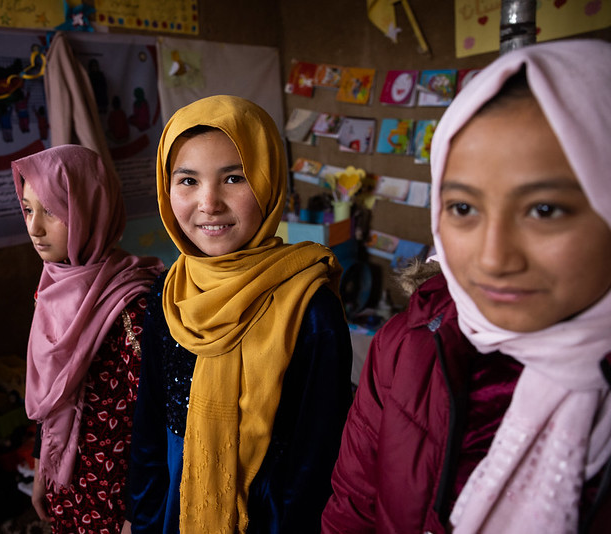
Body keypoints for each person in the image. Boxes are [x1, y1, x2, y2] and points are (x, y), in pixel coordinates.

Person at [321, 39, 611, 534]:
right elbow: (353, 508)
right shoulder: (406, 346)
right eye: (463, 208)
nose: (494, 258)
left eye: (544, 210)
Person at [127, 95, 353, 532]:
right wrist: (142, 517)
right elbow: (149, 423)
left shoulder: (309, 305)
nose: (208, 203)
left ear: (269, 182)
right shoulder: (170, 292)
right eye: (187, 181)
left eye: (234, 177)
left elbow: (318, 454)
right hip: (174, 502)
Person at [11, 145, 163, 534]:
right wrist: (42, 467)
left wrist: (137, 514)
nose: (34, 227)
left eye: (52, 211)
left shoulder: (133, 306)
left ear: (90, 210)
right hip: (69, 479)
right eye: (28, 209)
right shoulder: (52, 287)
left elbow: (154, 425)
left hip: (115, 491)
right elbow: (54, 401)